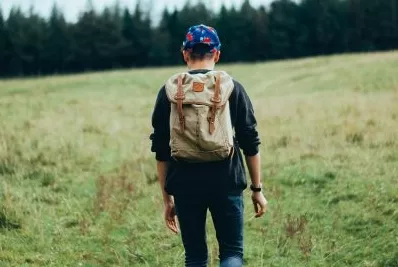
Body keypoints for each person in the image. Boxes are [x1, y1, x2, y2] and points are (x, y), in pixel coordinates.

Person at [150, 24, 268, 267]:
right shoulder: (232, 88)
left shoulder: (168, 92)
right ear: (217, 54)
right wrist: (257, 189)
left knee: (194, 257)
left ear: (185, 54)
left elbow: (161, 150)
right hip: (227, 180)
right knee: (232, 252)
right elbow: (250, 141)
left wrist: (167, 200)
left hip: (184, 184)